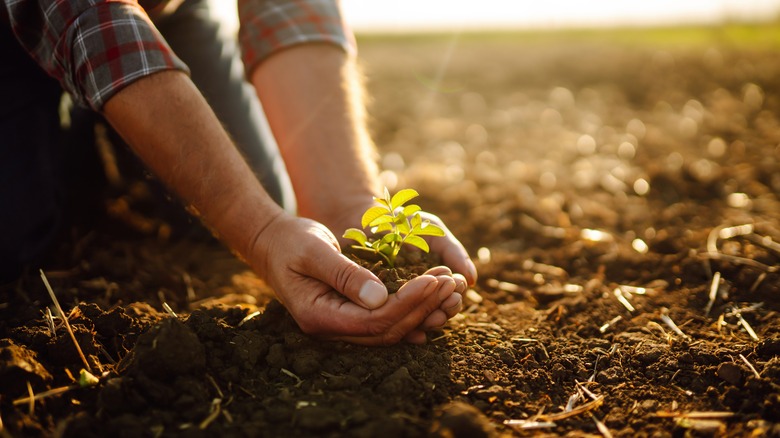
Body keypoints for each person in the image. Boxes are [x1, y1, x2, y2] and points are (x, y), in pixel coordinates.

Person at [0, 0, 477, 345]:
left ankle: (102, 112)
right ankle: (84, 120)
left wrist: (346, 203)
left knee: (262, 195)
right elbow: (93, 22)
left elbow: (290, 11)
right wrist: (260, 230)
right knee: (18, 237)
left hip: (160, 14)